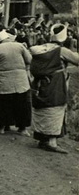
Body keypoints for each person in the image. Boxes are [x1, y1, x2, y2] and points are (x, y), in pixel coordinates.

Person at [30, 24, 79, 154]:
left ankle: (41, 138)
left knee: (42, 108)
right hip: (56, 84)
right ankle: (52, 142)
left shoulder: (42, 48)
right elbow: (77, 60)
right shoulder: (61, 51)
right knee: (55, 108)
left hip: (41, 83)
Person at [0, 29, 32, 135]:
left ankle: (2, 127)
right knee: (22, 104)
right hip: (20, 79)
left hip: (4, 79)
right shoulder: (20, 46)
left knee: (4, 103)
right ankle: (22, 128)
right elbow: (29, 59)